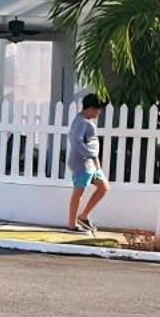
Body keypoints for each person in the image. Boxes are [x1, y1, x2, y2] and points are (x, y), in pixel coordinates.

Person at [66, 93, 107, 233]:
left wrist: (96, 162)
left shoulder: (85, 120)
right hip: (82, 164)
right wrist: (90, 154)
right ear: (90, 109)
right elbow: (76, 141)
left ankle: (83, 216)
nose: (99, 113)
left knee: (103, 187)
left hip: (91, 164)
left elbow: (90, 141)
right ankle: (72, 224)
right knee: (79, 192)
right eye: (98, 110)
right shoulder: (82, 122)